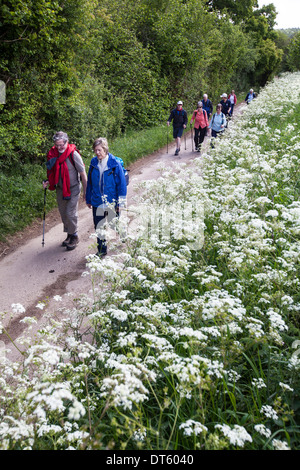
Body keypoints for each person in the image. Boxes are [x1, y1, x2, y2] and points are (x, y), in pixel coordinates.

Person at [43, 131, 87, 251]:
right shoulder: (53, 154)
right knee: (63, 213)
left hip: (73, 188)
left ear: (67, 142)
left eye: (61, 144)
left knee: (70, 213)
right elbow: (52, 171)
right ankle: (69, 234)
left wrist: (86, 192)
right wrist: (48, 181)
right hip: (60, 189)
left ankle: (75, 236)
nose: (59, 147)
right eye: (57, 145)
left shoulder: (73, 154)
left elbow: (83, 174)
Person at [86, 137, 127, 257]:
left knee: (114, 223)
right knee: (99, 226)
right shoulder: (93, 163)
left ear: (105, 149)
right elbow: (90, 183)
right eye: (95, 150)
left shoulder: (114, 164)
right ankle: (102, 250)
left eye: (99, 150)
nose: (97, 152)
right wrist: (88, 199)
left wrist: (121, 203)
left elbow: (122, 185)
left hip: (111, 201)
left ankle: (123, 233)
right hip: (97, 201)